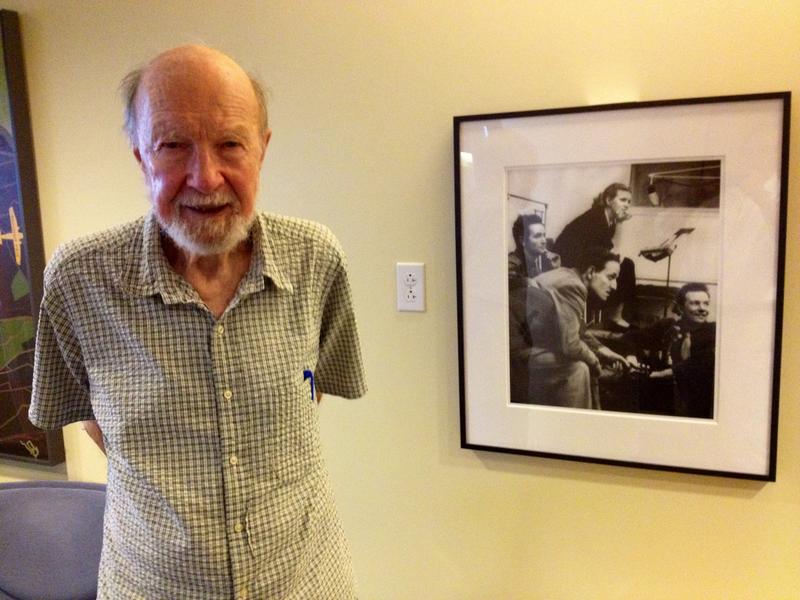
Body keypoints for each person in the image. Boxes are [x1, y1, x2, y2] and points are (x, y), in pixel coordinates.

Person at [28, 45, 366, 599]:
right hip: (152, 587)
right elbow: (91, 417)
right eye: (173, 146)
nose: (204, 178)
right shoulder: (79, 279)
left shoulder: (316, 260)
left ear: (262, 149)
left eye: (230, 143)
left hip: (306, 582)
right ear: (141, 156)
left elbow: (312, 388)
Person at [509, 246, 628, 408]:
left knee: (582, 365)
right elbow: (571, 345)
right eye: (611, 277)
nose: (614, 286)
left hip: (517, 341)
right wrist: (596, 363)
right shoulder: (575, 287)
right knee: (580, 368)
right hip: (514, 351)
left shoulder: (567, 275)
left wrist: (605, 352)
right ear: (592, 271)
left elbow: (578, 329)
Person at [623, 282, 716, 418]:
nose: (702, 308)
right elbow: (630, 337)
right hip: (660, 396)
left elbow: (701, 363)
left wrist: (661, 374)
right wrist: (631, 356)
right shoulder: (667, 326)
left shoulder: (714, 333)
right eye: (695, 303)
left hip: (696, 403)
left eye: (706, 303)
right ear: (681, 307)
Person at [553, 183, 636, 330]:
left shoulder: (609, 220)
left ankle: (613, 315)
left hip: (586, 258)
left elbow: (604, 248)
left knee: (625, 264)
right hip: (569, 263)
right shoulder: (595, 218)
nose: (627, 205)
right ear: (608, 200)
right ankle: (613, 316)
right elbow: (594, 252)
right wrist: (614, 257)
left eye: (629, 202)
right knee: (626, 266)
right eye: (622, 200)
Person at [508, 213, 560, 289]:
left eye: (544, 235)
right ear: (523, 241)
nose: (544, 241)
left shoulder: (533, 265)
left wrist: (554, 270)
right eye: (538, 236)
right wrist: (524, 281)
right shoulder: (511, 265)